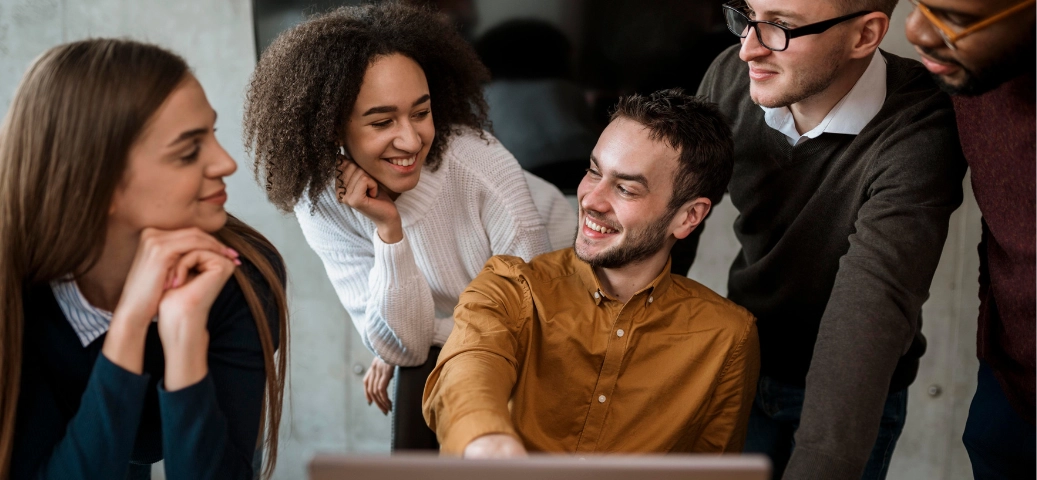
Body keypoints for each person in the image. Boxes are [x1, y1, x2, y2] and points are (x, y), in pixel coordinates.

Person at [243, 3, 574, 451]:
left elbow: (532, 322)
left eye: (421, 112)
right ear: (330, 130)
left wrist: (411, 337)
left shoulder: (479, 164)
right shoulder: (320, 202)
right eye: (382, 121)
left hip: (570, 294)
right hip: (476, 322)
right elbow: (405, 349)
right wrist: (388, 230)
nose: (411, 139)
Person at [677, 0, 969, 478]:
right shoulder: (731, 80)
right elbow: (673, 227)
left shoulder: (921, 123)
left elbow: (870, 303)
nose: (747, 49)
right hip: (742, 360)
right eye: (747, 16)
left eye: (780, 27)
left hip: (851, 385)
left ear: (865, 35)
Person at [0, 39, 289, 479]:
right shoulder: (13, 287)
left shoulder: (241, 273)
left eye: (211, 133)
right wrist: (129, 327)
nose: (227, 163)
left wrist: (185, 335)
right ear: (97, 180)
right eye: (188, 150)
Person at [423, 88, 759, 457]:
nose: (591, 200)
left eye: (626, 189)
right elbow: (467, 371)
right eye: (593, 171)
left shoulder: (727, 337)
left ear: (688, 217)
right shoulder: (510, 286)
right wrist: (485, 440)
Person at [904, 1, 1036, 478]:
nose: (914, 29)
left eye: (953, 18)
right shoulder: (973, 69)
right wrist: (993, 342)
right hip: (1008, 388)